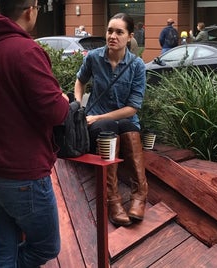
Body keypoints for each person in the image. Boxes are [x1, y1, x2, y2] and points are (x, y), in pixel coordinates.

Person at [0, 0, 69, 267]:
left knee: (3, 247)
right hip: (23, 174)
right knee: (46, 246)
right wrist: (64, 100)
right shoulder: (27, 51)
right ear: (29, 10)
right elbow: (56, 112)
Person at [74, 12, 148, 227]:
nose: (112, 36)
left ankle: (140, 194)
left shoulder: (137, 66)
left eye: (119, 32)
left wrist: (99, 115)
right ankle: (113, 199)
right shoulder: (94, 57)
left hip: (120, 120)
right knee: (108, 126)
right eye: (109, 31)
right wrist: (79, 106)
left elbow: (132, 108)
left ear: (130, 36)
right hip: (98, 125)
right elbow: (80, 82)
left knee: (128, 127)